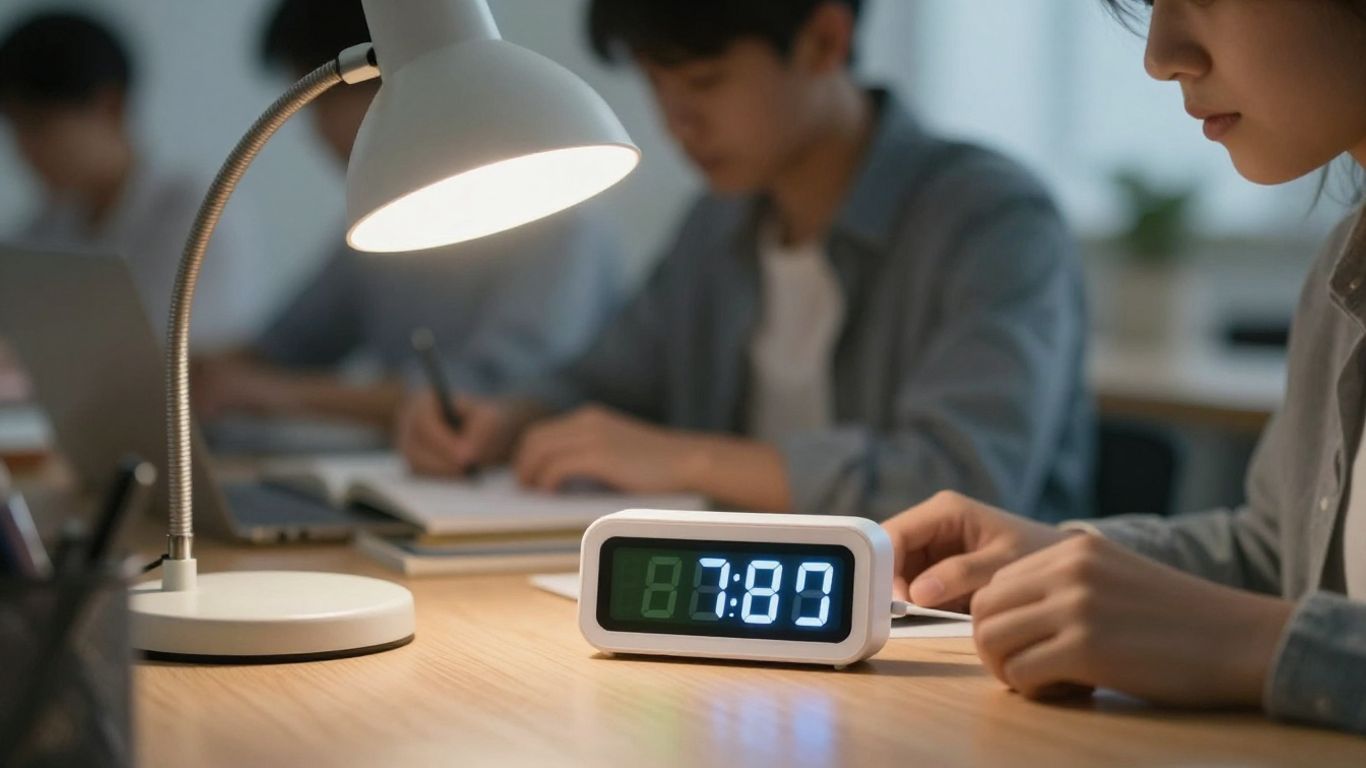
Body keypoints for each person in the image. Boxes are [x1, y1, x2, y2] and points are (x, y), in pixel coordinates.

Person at [396, 0, 1093, 522]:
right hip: (743, 616)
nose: (677, 122)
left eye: (704, 81)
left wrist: (684, 458)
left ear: (824, 40)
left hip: (948, 636)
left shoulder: (991, 221)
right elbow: (608, 383)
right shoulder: (721, 221)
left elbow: (958, 487)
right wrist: (509, 419)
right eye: (657, 85)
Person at [880, 0, 1366, 734]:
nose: (1161, 54)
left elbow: (1278, 616)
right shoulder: (1344, 268)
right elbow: (1282, 560)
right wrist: (1061, 561)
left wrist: (1258, 645)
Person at [192, 0, 626, 433]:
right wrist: (185, 370)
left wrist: (272, 394)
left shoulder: (560, 218)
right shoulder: (386, 226)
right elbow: (286, 345)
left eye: (322, 105)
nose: (317, 131)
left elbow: (491, 390)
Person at [0, 10, 263, 350]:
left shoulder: (195, 208)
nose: (24, 149)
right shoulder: (51, 222)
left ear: (109, 106)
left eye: (37, 125)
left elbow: (159, 358)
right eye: (14, 128)